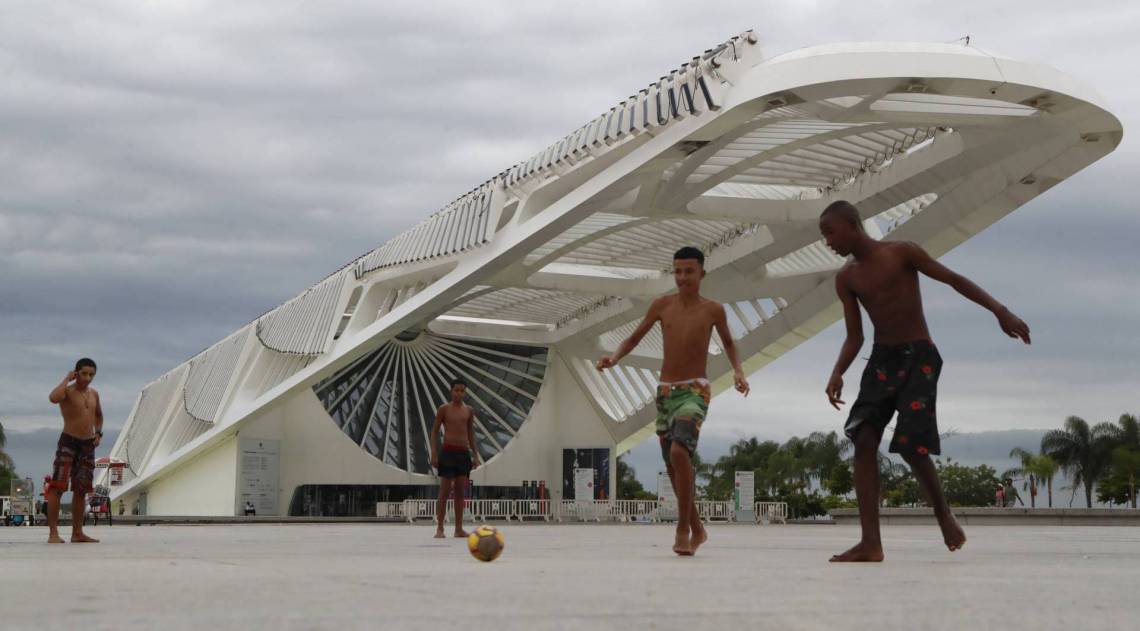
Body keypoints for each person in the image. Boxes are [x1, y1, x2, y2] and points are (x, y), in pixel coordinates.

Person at [820, 200, 1030, 562]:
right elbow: (855, 335)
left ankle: (944, 515)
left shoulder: (901, 252)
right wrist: (838, 371)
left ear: (852, 224)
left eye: (830, 232)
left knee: (911, 445)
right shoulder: (847, 278)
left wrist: (1000, 310)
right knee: (864, 438)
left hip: (919, 356)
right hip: (881, 360)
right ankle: (871, 542)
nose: (827, 241)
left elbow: (953, 280)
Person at [597, 246, 750, 556]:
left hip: (695, 390)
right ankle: (698, 528)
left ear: (702, 273)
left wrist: (738, 371)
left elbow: (730, 343)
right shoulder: (661, 306)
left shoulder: (713, 310)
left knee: (680, 452)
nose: (682, 277)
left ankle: (682, 529)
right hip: (666, 391)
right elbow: (635, 337)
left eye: (689, 271)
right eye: (678, 271)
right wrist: (614, 358)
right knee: (671, 463)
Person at [45, 358, 104, 544]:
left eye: (91, 374)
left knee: (81, 489)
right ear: (76, 372)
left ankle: (77, 533)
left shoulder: (94, 394)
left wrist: (98, 433)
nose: (88, 378)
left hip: (87, 445)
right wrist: (66, 379)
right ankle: (53, 533)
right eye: (84, 373)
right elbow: (53, 398)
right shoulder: (67, 391)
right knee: (57, 487)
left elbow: (98, 415)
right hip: (68, 442)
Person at [429, 378, 481, 539]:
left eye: (462, 391)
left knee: (459, 492)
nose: (459, 393)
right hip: (448, 452)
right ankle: (440, 528)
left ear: (465, 392)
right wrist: (434, 453)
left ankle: (458, 529)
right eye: (456, 390)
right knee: (444, 491)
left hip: (463, 453)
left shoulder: (469, 410)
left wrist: (475, 455)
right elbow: (434, 432)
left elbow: (471, 434)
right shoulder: (444, 409)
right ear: (451, 391)